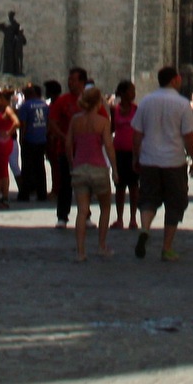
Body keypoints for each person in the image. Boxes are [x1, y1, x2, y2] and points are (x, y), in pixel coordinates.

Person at [131, 66, 193, 262]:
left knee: (148, 199)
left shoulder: (146, 101)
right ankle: (166, 248)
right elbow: (189, 136)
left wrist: (136, 156)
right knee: (174, 204)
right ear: (176, 80)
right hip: (174, 161)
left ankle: (145, 228)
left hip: (149, 159)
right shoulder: (182, 104)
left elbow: (137, 134)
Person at [67, 85, 116, 260]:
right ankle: (101, 245)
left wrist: (72, 163)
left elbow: (68, 144)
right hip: (98, 168)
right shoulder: (103, 122)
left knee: (82, 211)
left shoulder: (75, 120)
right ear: (98, 102)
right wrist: (115, 170)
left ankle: (81, 251)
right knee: (105, 207)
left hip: (80, 167)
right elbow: (109, 147)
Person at [48, 68, 88, 228]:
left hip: (85, 150)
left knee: (85, 184)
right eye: (69, 80)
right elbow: (52, 122)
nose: (70, 83)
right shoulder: (62, 101)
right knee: (65, 183)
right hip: (65, 149)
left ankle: (85, 215)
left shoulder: (90, 100)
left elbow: (101, 120)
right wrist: (64, 138)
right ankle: (62, 217)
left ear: (82, 82)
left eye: (74, 80)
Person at [109, 81, 140, 230]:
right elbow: (110, 129)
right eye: (131, 90)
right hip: (119, 152)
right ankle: (119, 218)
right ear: (123, 93)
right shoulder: (114, 110)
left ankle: (133, 219)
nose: (133, 93)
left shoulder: (137, 110)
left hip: (134, 152)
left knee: (134, 187)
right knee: (119, 187)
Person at [16, 82, 50, 202]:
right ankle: (42, 193)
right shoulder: (45, 105)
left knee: (27, 167)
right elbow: (49, 122)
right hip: (42, 139)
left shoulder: (25, 106)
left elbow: (23, 124)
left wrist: (21, 139)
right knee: (40, 167)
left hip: (29, 139)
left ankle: (24, 194)